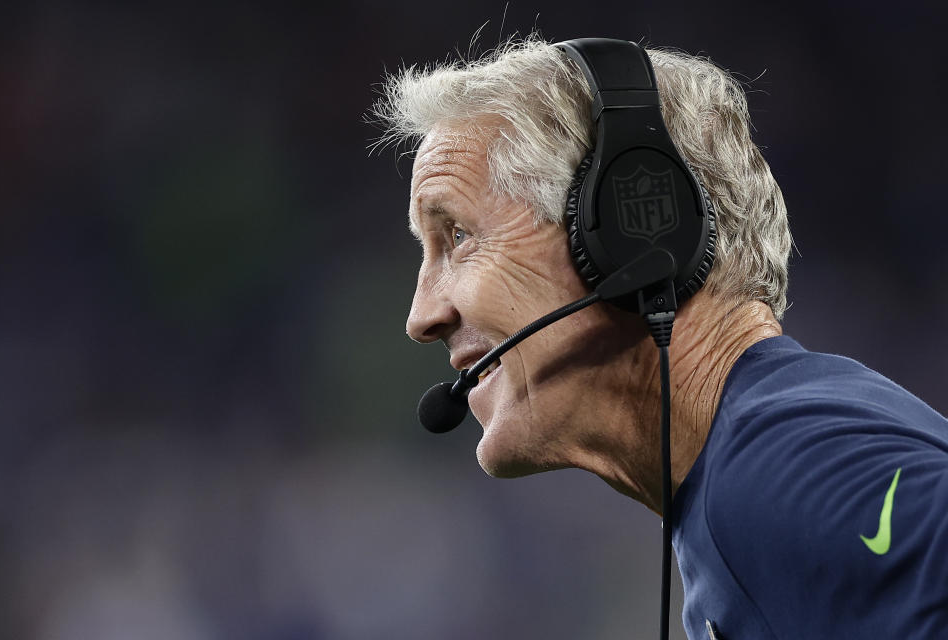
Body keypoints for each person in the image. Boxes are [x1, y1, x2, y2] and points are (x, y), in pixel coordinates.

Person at [372, 35, 948, 639]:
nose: (421, 316)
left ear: (629, 235)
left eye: (457, 236)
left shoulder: (783, 462)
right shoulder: (741, 475)